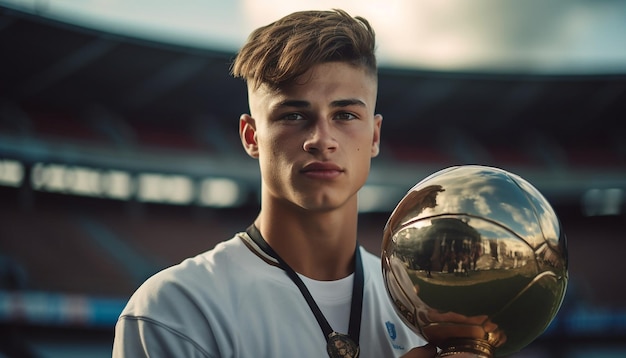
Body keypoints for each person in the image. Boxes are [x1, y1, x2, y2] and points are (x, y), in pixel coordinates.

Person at [112, 9, 439, 358]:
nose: (321, 139)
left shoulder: (421, 310)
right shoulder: (175, 310)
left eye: (345, 115)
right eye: (293, 115)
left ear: (374, 136)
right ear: (252, 136)